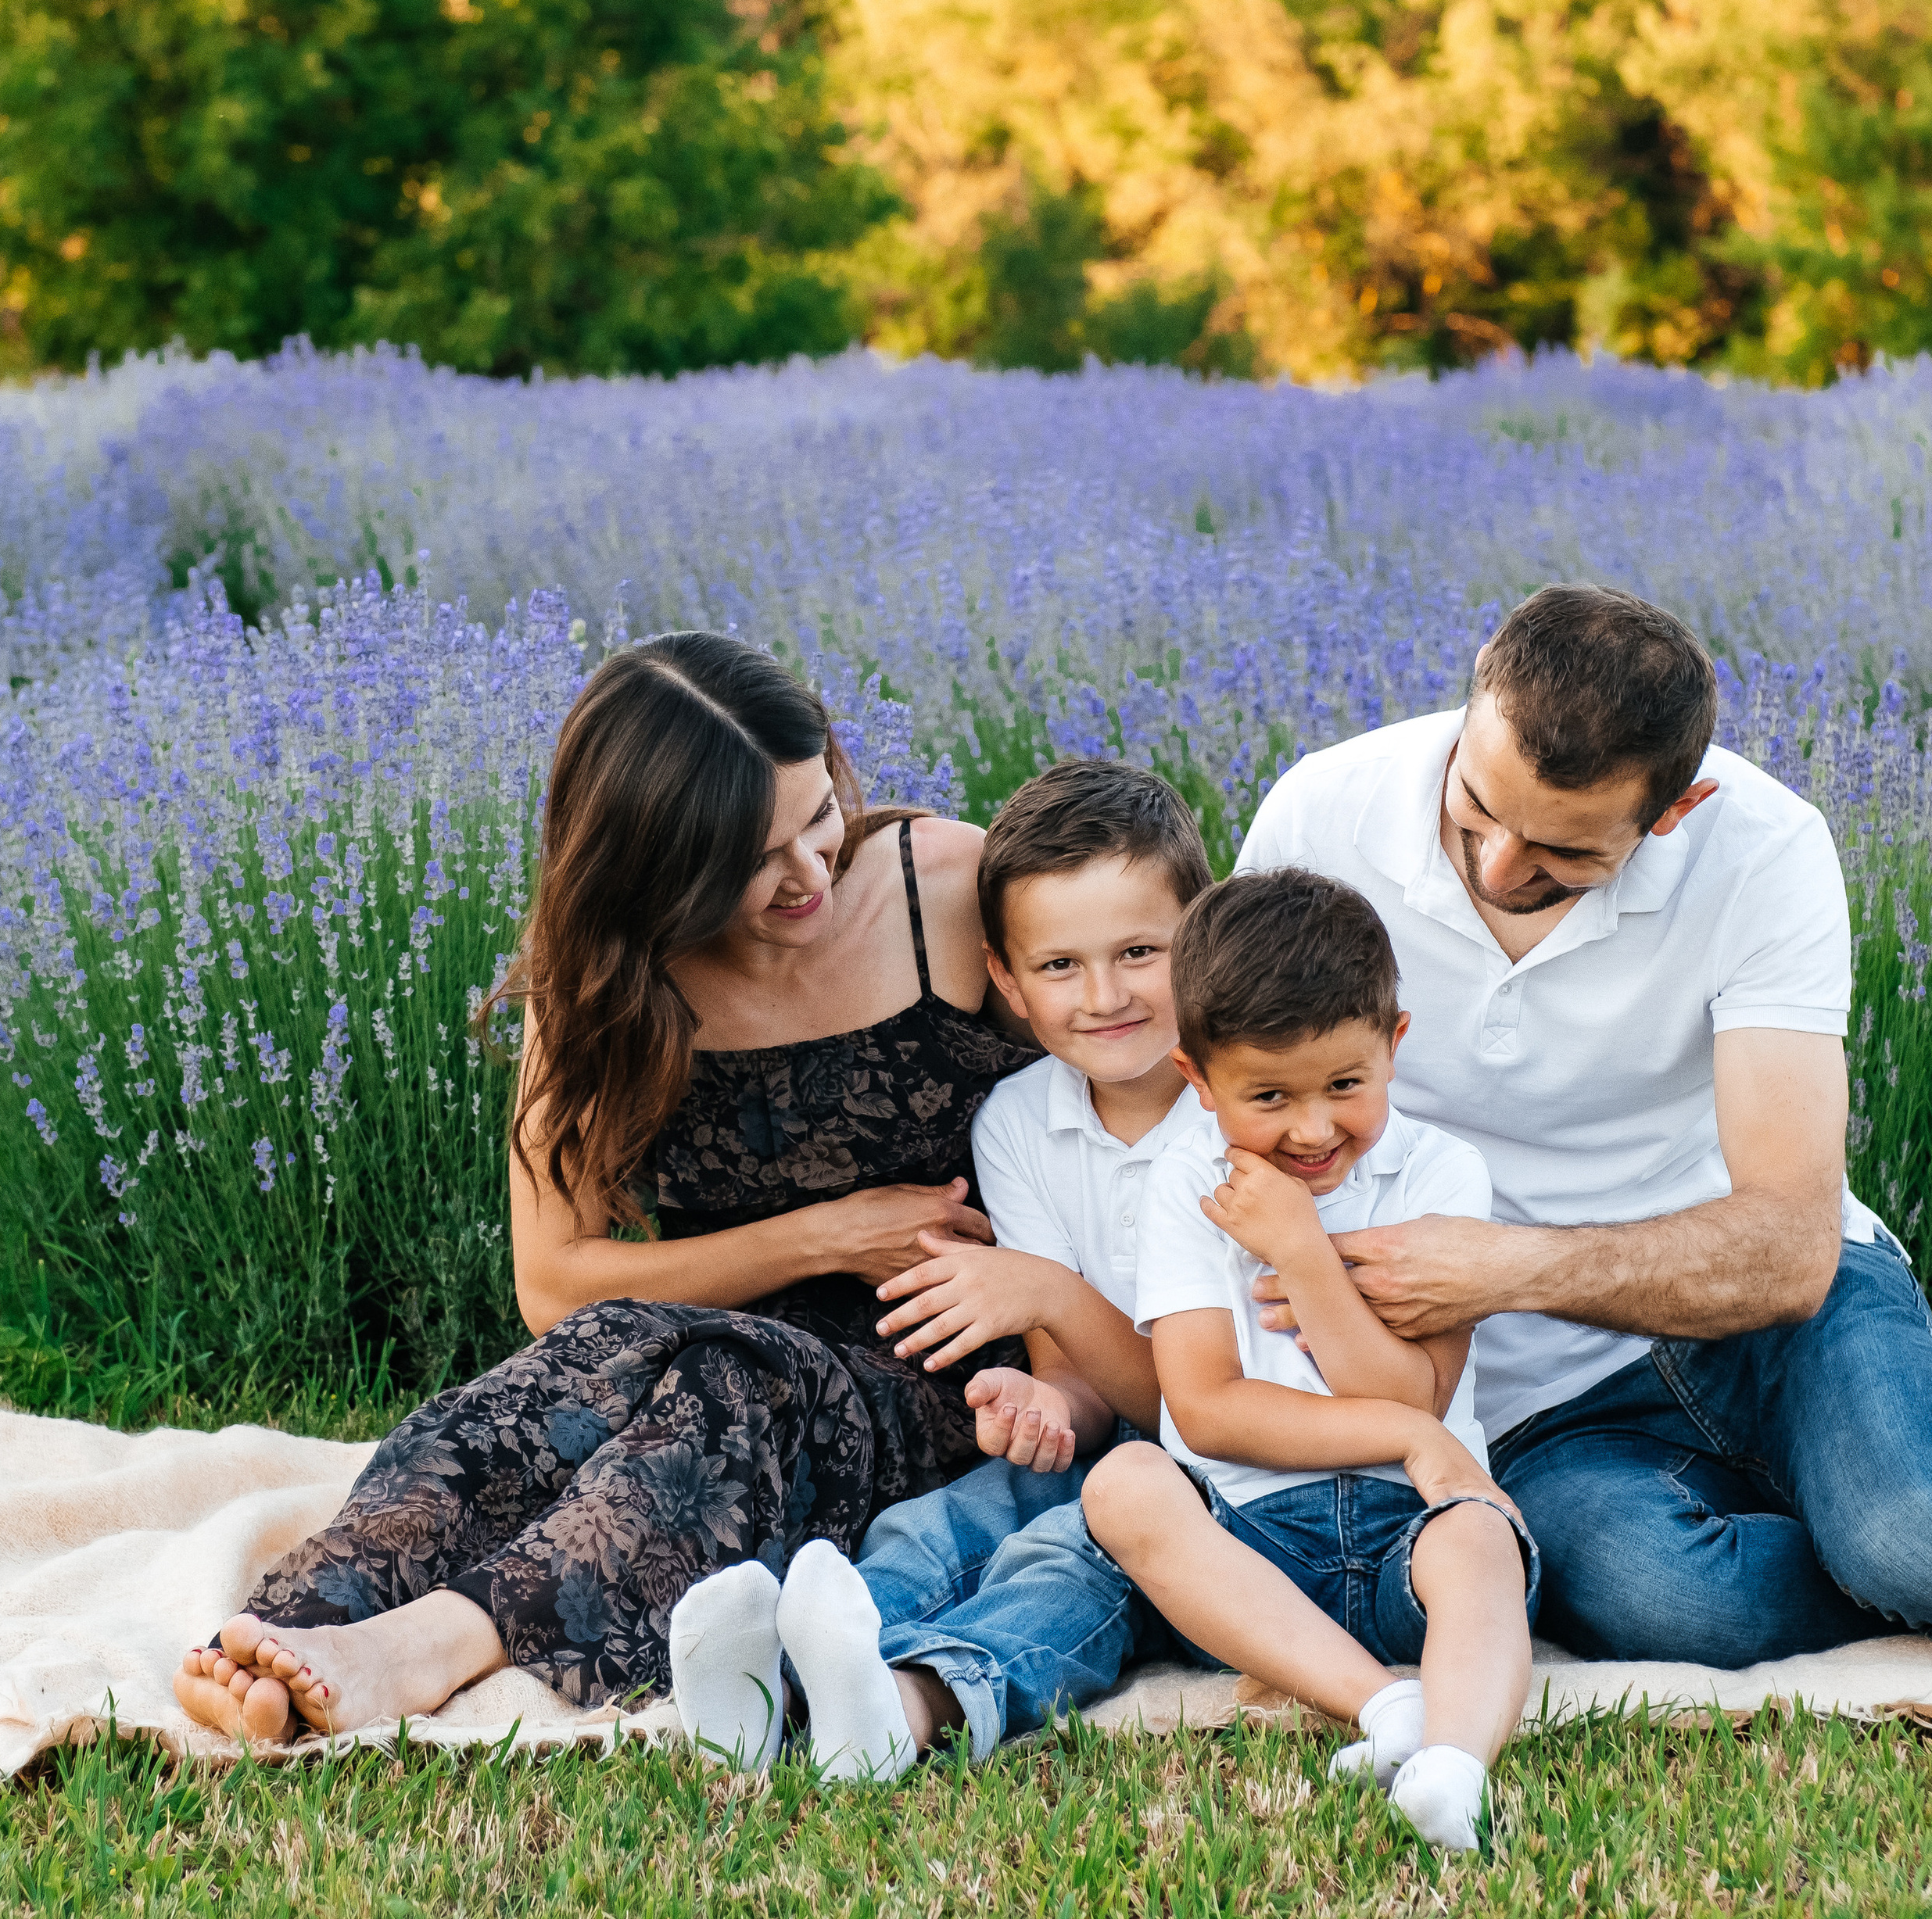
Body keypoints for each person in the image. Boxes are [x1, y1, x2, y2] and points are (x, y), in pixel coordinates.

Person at [172, 631, 1039, 1745]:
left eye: (818, 814)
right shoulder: (600, 977)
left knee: (723, 1389)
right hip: (684, 1340)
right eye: (751, 856)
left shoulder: (951, 890)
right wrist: (825, 1234)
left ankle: (427, 1649)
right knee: (523, 1405)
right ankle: (280, 1627)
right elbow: (555, 1283)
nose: (811, 873)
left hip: (940, 1368)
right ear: (655, 864)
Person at [1234, 583, 1932, 1666]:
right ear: (1475, 691)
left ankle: (1871, 1529)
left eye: (1565, 851)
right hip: (1542, 1400)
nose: (1500, 867)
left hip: (1781, 1328)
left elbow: (1793, 1251)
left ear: (1674, 812)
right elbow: (1240, 1096)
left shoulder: (1764, 847)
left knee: (1907, 1541)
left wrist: (1503, 1266)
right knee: (1681, 1607)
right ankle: (1840, 1529)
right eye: (1479, 807)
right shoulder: (1320, 814)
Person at [668, 759, 1211, 1777]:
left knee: (1069, 1568)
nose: (1103, 997)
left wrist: (1048, 1295)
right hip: (1119, 1450)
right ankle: (772, 1690)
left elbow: (1204, 1408)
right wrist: (1044, 1407)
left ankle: (910, 1710)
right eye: (1059, 968)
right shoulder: (1020, 1120)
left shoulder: (1248, 1115)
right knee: (936, 1527)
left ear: (1205, 938)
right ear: (1004, 979)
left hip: (1242, 1476)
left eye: (1140, 951)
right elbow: (1081, 1380)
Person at [1081, 870, 1538, 1853]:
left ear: (1393, 1045)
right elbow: (1204, 1411)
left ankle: (1454, 1766)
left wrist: (1301, 1252)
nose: (1313, 1129)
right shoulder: (1185, 1182)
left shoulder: (1441, 1173)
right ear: (1196, 1081)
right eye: (1267, 1095)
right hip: (1250, 1553)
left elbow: (1416, 1387)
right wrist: (1414, 1434)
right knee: (1124, 1482)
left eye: (1344, 1084)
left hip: (1407, 1539)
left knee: (1481, 1539)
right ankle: (1384, 1708)